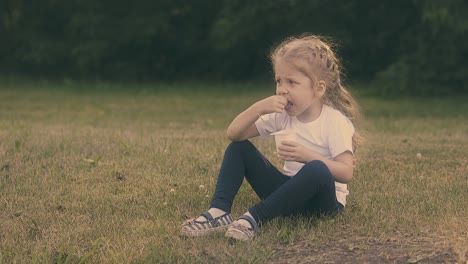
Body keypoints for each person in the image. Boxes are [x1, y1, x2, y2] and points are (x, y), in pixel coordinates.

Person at [181, 34, 361, 241]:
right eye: (279, 81)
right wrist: (259, 107)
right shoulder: (282, 115)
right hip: (285, 196)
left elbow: (346, 172)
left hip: (322, 204)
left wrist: (307, 156)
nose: (282, 89)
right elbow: (234, 134)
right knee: (238, 148)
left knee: (317, 169)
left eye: (292, 82)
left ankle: (252, 218)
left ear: (318, 88)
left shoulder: (334, 121)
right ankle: (218, 211)